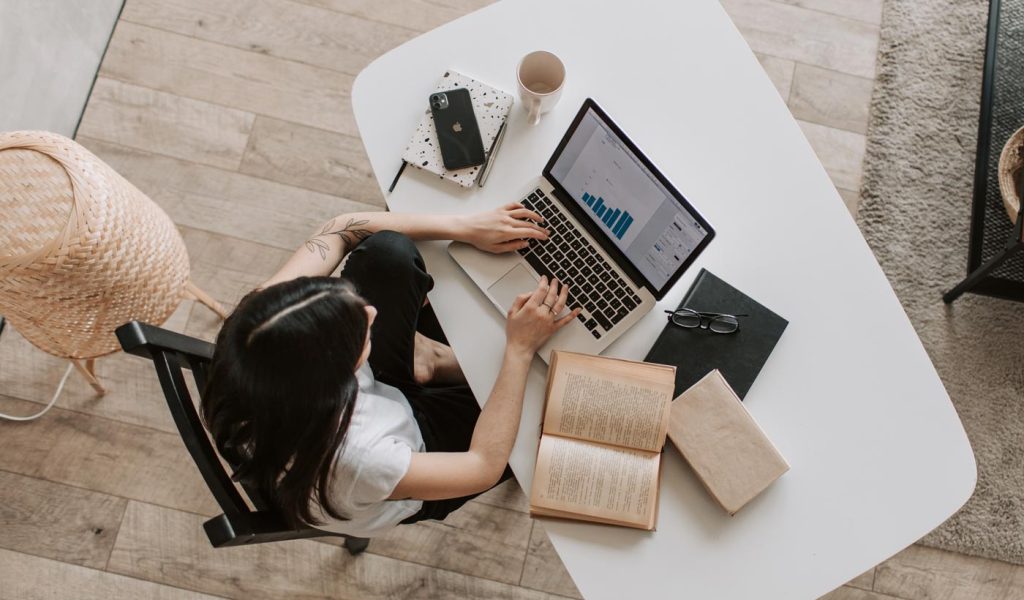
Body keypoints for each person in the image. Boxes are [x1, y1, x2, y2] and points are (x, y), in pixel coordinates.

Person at [200, 203, 580, 537]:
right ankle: (430, 362)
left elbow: (340, 229)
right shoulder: (363, 458)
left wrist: (465, 226)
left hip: (353, 410)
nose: (371, 312)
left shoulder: (258, 327)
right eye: (359, 333)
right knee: (550, 409)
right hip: (414, 457)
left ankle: (425, 362)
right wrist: (518, 350)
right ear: (338, 378)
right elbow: (482, 465)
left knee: (386, 253)